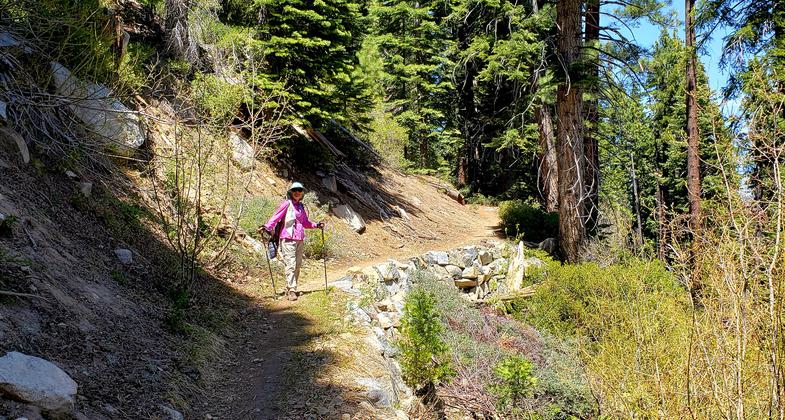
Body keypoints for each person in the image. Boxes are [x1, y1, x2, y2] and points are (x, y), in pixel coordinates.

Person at [261, 182, 324, 301]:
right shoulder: (287, 204)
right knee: (290, 264)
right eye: (295, 190)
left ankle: (291, 287)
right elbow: (276, 216)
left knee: (297, 265)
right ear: (291, 192)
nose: (297, 192)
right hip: (288, 238)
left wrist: (316, 225)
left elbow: (305, 222)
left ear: (302, 193)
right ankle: (292, 289)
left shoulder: (301, 207)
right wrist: (267, 227)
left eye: (299, 190)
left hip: (299, 239)